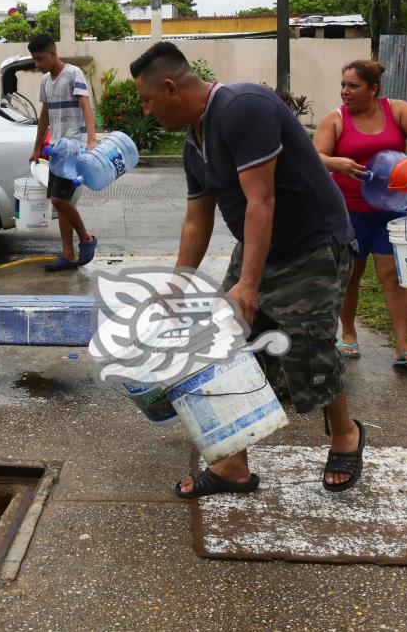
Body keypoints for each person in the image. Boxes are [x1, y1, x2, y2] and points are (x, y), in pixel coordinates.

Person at [130, 41, 365, 498]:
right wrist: (177, 286)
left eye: (147, 99)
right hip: (259, 246)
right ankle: (233, 466)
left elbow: (263, 200)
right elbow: (197, 220)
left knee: (308, 351)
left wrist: (249, 284)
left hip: (311, 246)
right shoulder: (193, 142)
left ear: (172, 87)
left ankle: (346, 434)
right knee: (227, 348)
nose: (145, 110)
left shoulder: (242, 108)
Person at [312, 60, 407, 367]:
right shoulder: (335, 120)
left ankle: (403, 346)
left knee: (393, 275)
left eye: (353, 86)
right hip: (350, 212)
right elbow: (314, 156)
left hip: (392, 210)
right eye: (343, 85)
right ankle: (348, 336)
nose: (345, 92)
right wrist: (336, 164)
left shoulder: (396, 110)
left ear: (373, 88)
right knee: (351, 276)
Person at [27, 34, 98, 271]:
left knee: (58, 198)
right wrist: (37, 147)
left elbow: (85, 106)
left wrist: (91, 138)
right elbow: (44, 116)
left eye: (40, 59)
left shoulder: (73, 74)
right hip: (57, 149)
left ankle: (86, 239)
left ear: (53, 53)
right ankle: (68, 255)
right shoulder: (46, 81)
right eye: (34, 60)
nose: (37, 65)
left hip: (74, 146)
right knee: (60, 203)